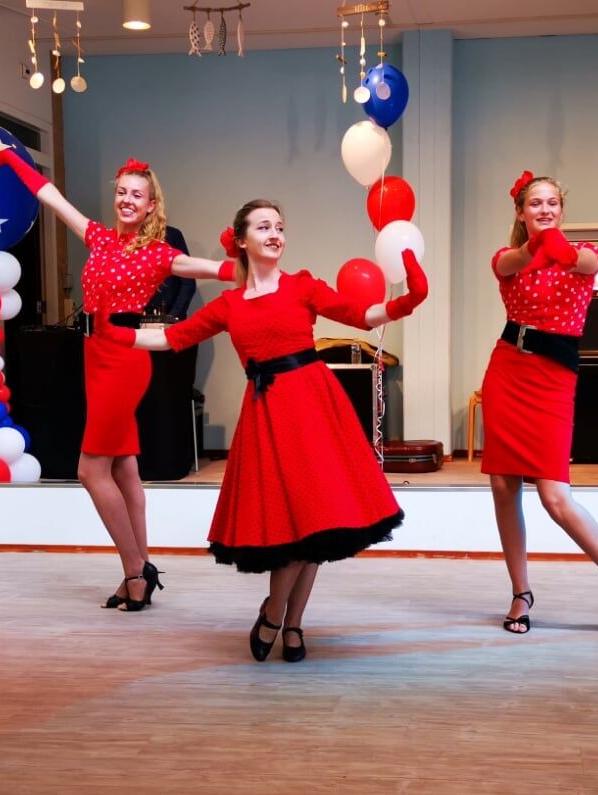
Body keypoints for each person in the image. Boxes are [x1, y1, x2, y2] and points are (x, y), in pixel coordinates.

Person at [111, 199, 428, 662]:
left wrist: (408, 301)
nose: (275, 234)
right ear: (241, 240)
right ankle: (282, 617)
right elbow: (171, 337)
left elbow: (362, 315)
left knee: (319, 520)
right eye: (263, 227)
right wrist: (116, 335)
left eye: (279, 226)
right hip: (269, 416)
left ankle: (282, 617)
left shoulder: (302, 286)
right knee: (296, 524)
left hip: (315, 408)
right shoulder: (229, 304)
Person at [0, 152, 233, 610]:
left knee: (89, 471)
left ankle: (136, 571)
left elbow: (216, 271)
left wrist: (248, 255)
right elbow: (51, 197)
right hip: (94, 355)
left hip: (124, 359)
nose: (127, 200)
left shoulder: (159, 253)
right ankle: (141, 566)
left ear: (152, 205)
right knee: (124, 468)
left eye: (137, 195)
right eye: (122, 193)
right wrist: (12, 159)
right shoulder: (99, 237)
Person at [482, 171, 598, 638]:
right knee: (503, 485)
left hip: (553, 378)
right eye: (535, 203)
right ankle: (521, 592)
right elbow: (517, 259)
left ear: (562, 210)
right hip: (507, 370)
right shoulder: (506, 258)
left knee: (555, 497)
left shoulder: (587, 254)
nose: (545, 210)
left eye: (553, 203)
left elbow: (577, 260)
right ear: (520, 211)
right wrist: (535, 245)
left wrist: (553, 243)